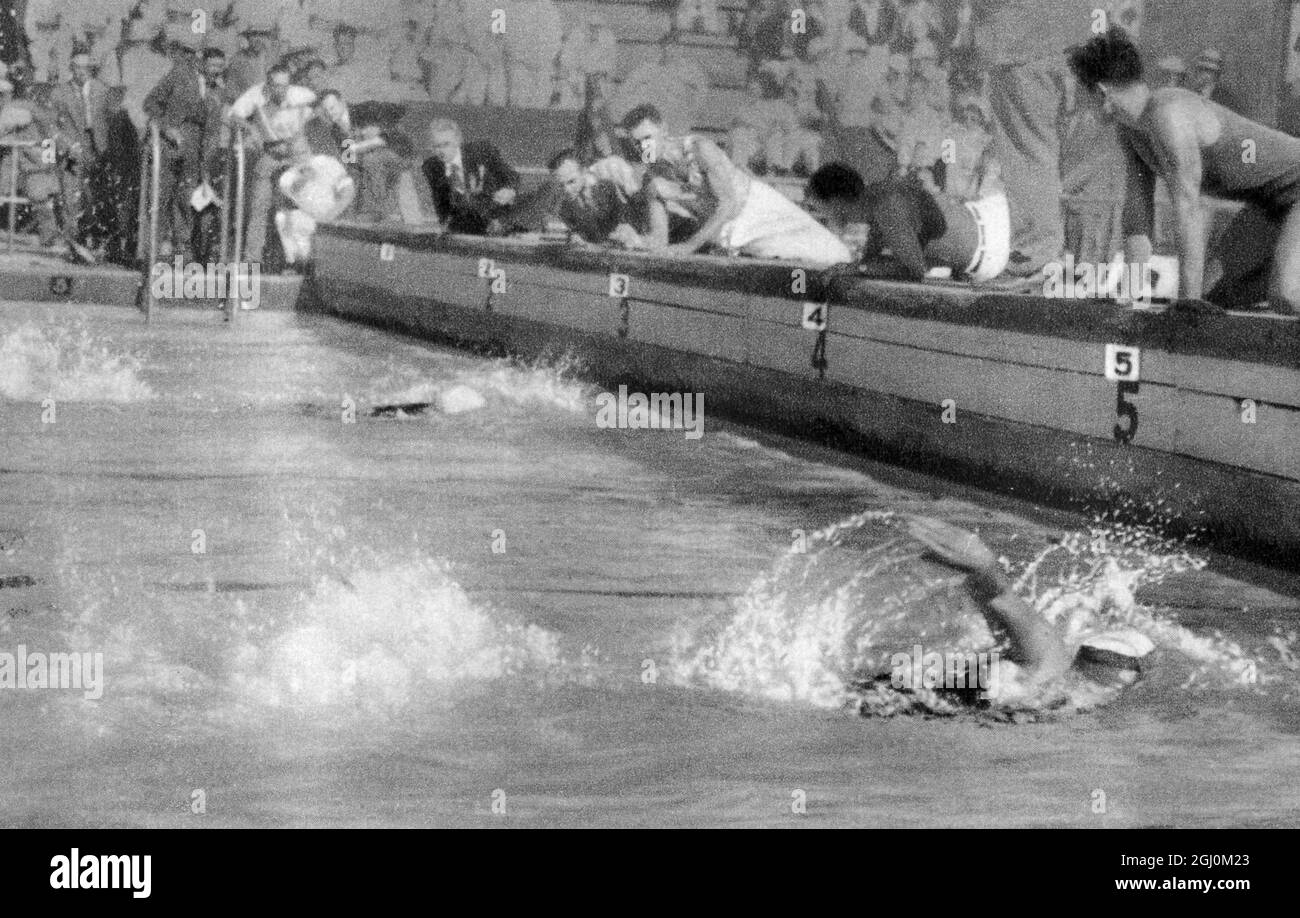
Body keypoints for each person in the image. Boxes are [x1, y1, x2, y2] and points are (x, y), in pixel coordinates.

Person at [1068, 26, 1300, 313]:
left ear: (1102, 92)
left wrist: (1188, 302)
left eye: (1083, 95)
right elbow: (1138, 220)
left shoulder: (1169, 114)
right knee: (1214, 298)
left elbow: (1188, 208)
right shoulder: (1131, 132)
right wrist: (1129, 295)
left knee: (1286, 296)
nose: (1080, 106)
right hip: (1270, 204)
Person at [901, 516, 1152, 699]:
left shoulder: (1057, 684)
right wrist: (984, 567)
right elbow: (1004, 600)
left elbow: (1001, 604)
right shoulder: (1051, 663)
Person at [623, 103, 852, 265]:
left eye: (647, 139)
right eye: (636, 143)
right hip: (731, 233)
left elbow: (729, 203)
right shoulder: (652, 181)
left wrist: (689, 247)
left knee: (834, 256)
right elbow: (659, 240)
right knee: (788, 268)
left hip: (759, 209)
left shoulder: (700, 148)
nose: (643, 149)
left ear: (663, 129)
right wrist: (634, 239)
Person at [972, 0, 1097, 279]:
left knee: (1027, 155)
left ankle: (1034, 258)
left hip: (1021, 44)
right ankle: (1066, 255)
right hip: (1070, 43)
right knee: (1058, 157)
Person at [804, 161, 1010, 282]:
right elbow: (874, 250)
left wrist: (858, 269)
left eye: (822, 208)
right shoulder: (876, 195)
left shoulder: (886, 208)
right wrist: (861, 265)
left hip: (993, 248)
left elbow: (914, 270)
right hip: (987, 216)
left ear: (838, 202)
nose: (824, 216)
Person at [227, 63, 318, 264]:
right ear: (268, 85)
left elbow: (316, 123)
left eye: (284, 85)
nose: (281, 90)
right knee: (259, 204)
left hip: (298, 158)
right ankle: (252, 258)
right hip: (271, 157)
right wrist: (251, 130)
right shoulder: (258, 101)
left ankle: (299, 259)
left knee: (297, 206)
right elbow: (233, 117)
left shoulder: (302, 97)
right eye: (276, 85)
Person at [143, 43, 225, 258]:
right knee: (161, 195)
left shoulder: (217, 90)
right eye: (213, 65)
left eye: (220, 66)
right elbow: (150, 103)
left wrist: (206, 160)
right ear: (202, 63)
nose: (216, 70)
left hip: (195, 148)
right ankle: (153, 246)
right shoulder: (180, 75)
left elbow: (213, 129)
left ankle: (182, 247)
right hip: (169, 144)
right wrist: (167, 128)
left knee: (186, 198)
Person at [51, 51, 114, 252]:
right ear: (71, 68)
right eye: (78, 67)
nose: (82, 72)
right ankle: (71, 240)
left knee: (95, 197)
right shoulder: (59, 93)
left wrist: (105, 149)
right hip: (72, 149)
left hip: (96, 149)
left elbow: (110, 122)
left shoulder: (101, 91)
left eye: (86, 68)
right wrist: (68, 145)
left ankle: (94, 241)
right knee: (71, 196)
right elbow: (50, 126)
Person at [420, 117, 519, 234]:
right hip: (463, 225)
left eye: (446, 144)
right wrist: (445, 227)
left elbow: (511, 175)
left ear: (457, 141)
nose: (441, 151)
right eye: (436, 146)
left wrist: (509, 190)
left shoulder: (482, 151)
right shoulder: (431, 166)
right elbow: (442, 202)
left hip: (497, 218)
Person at [546, 149, 649, 246]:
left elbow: (636, 215)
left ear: (584, 172)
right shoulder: (564, 207)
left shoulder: (608, 187)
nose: (566, 190)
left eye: (571, 181)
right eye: (560, 185)